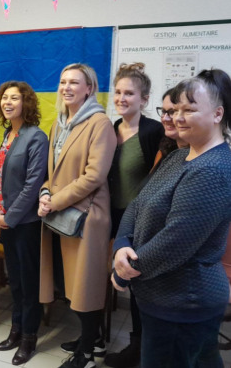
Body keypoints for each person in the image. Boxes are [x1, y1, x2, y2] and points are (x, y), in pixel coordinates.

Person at [112, 69, 231, 368]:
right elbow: (138, 203)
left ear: (217, 114)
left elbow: (175, 241)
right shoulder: (180, 155)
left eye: (189, 110)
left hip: (184, 302)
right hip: (162, 298)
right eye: (175, 110)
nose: (177, 118)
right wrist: (121, 243)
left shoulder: (213, 169)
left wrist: (124, 270)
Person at [38, 63, 116, 368]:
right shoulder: (58, 123)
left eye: (74, 82)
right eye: (63, 82)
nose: (67, 87)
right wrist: (45, 193)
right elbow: (52, 172)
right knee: (70, 284)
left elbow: (94, 176)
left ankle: (85, 355)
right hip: (60, 214)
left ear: (89, 88)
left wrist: (54, 200)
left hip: (87, 217)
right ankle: (92, 340)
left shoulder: (100, 123)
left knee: (85, 287)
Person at [105, 64, 163, 368]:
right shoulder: (112, 128)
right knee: (114, 280)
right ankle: (105, 338)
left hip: (142, 224)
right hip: (112, 217)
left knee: (139, 286)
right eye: (118, 92)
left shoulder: (154, 131)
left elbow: (158, 180)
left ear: (144, 98)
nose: (122, 98)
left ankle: (140, 350)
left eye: (129, 93)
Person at [0, 81, 48, 365]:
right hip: (5, 222)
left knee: (28, 285)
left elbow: (33, 184)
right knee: (15, 282)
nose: (8, 102)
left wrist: (10, 217)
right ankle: (15, 329)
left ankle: (29, 337)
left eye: (14, 98)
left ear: (26, 102)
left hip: (24, 223)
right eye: (5, 98)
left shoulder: (35, 136)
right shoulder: (7, 134)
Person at [152, 88, 189, 172]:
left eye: (172, 112)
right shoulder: (164, 150)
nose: (165, 118)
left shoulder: (198, 158)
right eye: (163, 111)